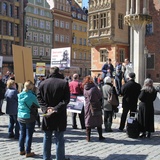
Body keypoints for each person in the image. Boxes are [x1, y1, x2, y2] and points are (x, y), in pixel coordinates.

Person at [37, 67, 70, 160]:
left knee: (47, 136)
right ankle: (60, 158)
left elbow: (39, 98)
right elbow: (66, 99)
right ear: (58, 72)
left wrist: (46, 108)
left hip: (47, 114)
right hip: (59, 114)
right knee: (59, 137)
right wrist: (55, 109)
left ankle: (46, 157)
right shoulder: (64, 83)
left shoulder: (43, 83)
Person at [18, 80, 40, 157]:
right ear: (31, 87)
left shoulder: (20, 94)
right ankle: (28, 151)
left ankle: (21, 150)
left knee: (22, 134)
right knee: (29, 135)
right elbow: (38, 105)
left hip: (20, 116)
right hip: (29, 116)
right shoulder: (31, 96)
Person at [82, 75, 105, 142]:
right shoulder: (94, 88)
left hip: (87, 105)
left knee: (88, 120)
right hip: (95, 105)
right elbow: (100, 95)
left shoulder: (85, 88)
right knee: (98, 120)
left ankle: (88, 137)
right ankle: (100, 136)